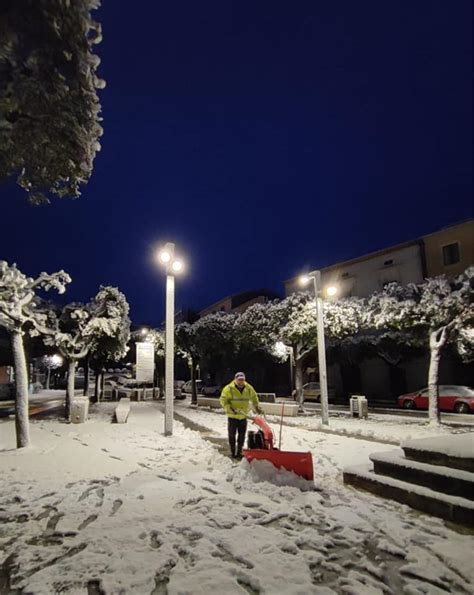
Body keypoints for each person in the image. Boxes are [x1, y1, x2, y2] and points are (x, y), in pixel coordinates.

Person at [220, 372, 263, 459]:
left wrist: (257, 406)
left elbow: (254, 397)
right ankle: (233, 452)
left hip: (243, 417)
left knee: (242, 436)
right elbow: (223, 400)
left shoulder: (248, 388)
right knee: (232, 435)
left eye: (242, 380)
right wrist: (229, 408)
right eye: (239, 380)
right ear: (235, 379)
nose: (241, 382)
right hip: (233, 416)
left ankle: (239, 452)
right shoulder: (228, 389)